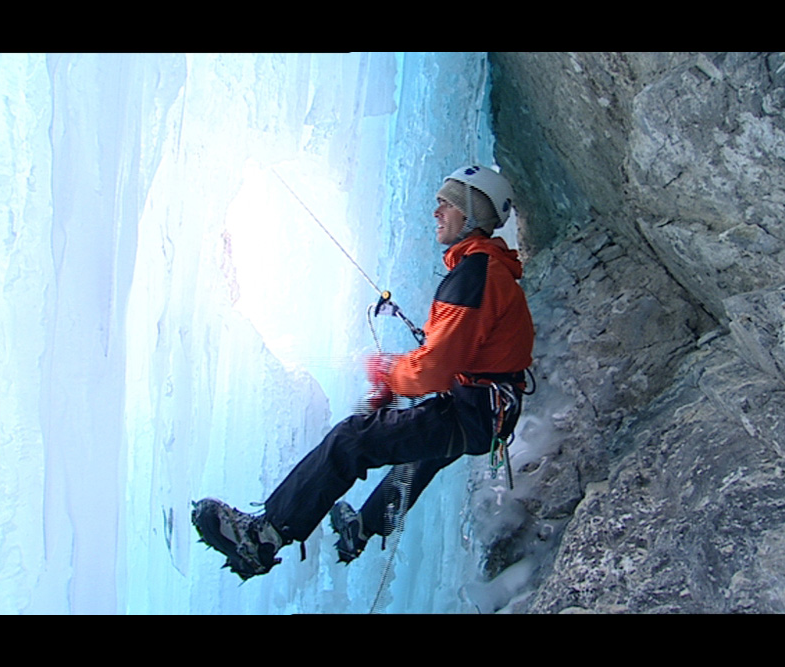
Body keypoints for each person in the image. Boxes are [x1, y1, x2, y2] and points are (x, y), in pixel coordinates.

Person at [192, 165, 534, 580]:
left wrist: (388, 373)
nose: (436, 211)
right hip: (487, 407)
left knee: (352, 439)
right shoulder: (484, 271)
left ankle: (264, 537)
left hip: (475, 411)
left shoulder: (475, 275)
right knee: (419, 450)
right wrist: (402, 380)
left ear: (471, 211)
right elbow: (453, 356)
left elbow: (433, 371)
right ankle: (365, 526)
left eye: (448, 202)